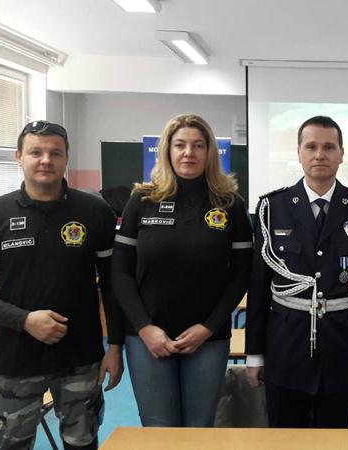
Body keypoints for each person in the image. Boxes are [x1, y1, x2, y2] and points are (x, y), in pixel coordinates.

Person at [0, 120, 124, 450]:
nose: (46, 160)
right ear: (19, 156)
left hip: (81, 357)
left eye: (55, 153)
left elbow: (113, 284)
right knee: (11, 444)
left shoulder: (95, 212)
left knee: (82, 442)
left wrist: (116, 347)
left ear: (66, 158)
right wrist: (25, 320)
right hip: (16, 359)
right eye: (36, 152)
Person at [112, 114, 252, 427]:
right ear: (167, 150)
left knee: (199, 428)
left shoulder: (230, 204)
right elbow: (120, 273)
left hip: (207, 339)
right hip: (147, 338)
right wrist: (144, 327)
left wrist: (209, 327)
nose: (188, 153)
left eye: (198, 145)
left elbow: (241, 274)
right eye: (180, 145)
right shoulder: (142, 200)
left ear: (210, 152)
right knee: (159, 428)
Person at [245, 115, 348, 428]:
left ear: (341, 154)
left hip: (341, 344)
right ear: (299, 152)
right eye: (311, 147)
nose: (320, 154)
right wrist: (254, 354)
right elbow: (259, 286)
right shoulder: (272, 207)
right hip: (286, 344)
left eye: (329, 147)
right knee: (285, 435)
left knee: (334, 436)